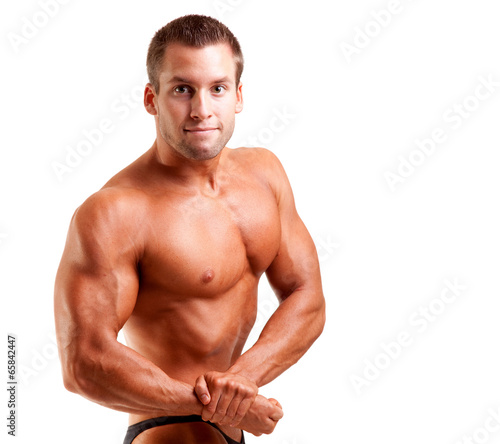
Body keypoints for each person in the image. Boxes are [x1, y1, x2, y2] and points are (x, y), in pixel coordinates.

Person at [54, 14, 325, 444]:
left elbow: (306, 297)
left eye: (217, 88)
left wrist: (240, 383)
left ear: (238, 96)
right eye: (183, 89)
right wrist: (219, 404)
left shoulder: (265, 175)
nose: (202, 110)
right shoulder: (114, 212)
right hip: (166, 428)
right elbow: (83, 363)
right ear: (151, 99)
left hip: (234, 425)